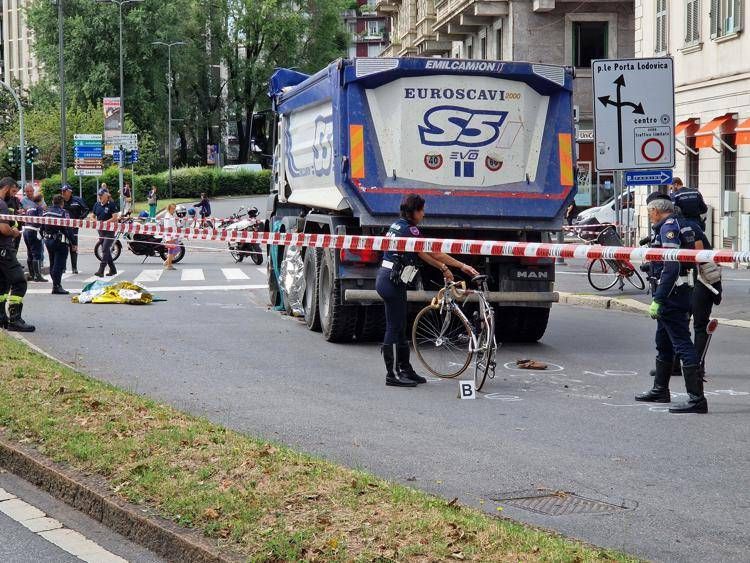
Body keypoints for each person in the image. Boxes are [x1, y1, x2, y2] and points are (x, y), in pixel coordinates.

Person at [376, 194, 479, 387]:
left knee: (400, 325)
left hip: (388, 279)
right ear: (413, 211)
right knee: (394, 327)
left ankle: (405, 369)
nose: (423, 213)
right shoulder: (410, 230)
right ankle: (392, 374)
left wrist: (443, 268)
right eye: (421, 210)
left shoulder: (397, 225)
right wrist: (461, 265)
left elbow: (421, 253)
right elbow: (433, 251)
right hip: (391, 282)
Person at [635, 194, 706, 414]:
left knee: (682, 344)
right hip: (677, 292)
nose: (649, 216)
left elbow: (671, 267)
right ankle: (660, 390)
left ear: (656, 211)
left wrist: (659, 298)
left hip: (672, 295)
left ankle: (697, 399)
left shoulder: (669, 228)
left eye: (649, 212)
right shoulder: (682, 224)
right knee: (663, 342)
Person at [0, 177, 35, 332]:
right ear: (7, 187)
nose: (13, 195)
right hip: (4, 250)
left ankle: (1, 317)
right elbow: (4, 229)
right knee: (19, 281)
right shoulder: (1, 204)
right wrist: (13, 231)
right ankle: (15, 320)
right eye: (13, 191)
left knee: (2, 284)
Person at [42, 195, 76, 295]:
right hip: (60, 241)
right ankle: (57, 286)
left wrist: (43, 236)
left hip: (48, 240)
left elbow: (42, 226)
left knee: (53, 263)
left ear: (53, 201)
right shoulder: (64, 213)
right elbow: (68, 229)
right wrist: (73, 242)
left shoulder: (46, 212)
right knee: (59, 265)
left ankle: (55, 285)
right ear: (62, 203)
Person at [92, 188, 120, 277]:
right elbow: (92, 216)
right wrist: (95, 221)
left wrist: (105, 222)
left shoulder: (111, 205)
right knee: (106, 250)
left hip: (109, 231)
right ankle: (113, 269)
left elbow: (115, 217)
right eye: (99, 195)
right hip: (100, 231)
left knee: (104, 249)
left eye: (101, 195)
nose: (100, 197)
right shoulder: (96, 204)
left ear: (106, 196)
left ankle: (101, 270)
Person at [61, 184, 89, 274]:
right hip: (63, 228)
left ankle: (74, 267)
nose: (63, 193)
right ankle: (63, 267)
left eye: (65, 191)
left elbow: (86, 209)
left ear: (70, 192)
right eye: (62, 191)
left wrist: (81, 218)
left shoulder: (77, 200)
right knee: (63, 247)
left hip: (74, 227)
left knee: (73, 246)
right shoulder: (60, 201)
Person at [22, 194, 46, 282]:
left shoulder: (29, 207)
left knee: (30, 253)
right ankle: (37, 275)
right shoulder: (39, 208)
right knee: (37, 253)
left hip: (26, 231)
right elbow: (40, 220)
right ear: (40, 200)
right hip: (34, 231)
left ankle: (32, 274)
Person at [161, 203, 181, 270]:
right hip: (170, 236)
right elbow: (168, 227)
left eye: (174, 208)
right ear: (169, 209)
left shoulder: (171, 215)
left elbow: (175, 225)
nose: (174, 210)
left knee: (176, 249)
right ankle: (169, 265)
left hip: (173, 235)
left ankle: (167, 262)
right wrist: (170, 237)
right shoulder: (168, 216)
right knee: (172, 251)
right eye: (172, 208)